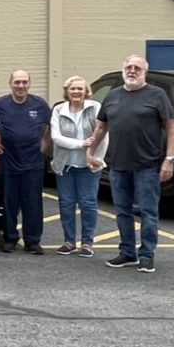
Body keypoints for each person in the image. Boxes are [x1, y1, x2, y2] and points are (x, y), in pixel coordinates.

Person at [86, 55, 174, 274]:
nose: (132, 71)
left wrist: (169, 160)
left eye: (137, 68)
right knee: (122, 212)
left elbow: (172, 129)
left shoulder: (157, 95)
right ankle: (127, 252)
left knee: (148, 212)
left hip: (147, 166)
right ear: (123, 70)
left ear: (145, 72)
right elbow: (101, 128)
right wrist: (90, 152)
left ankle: (147, 255)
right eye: (129, 67)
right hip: (118, 166)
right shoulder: (113, 96)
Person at [0, 70, 51, 254]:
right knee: (9, 203)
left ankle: (32, 241)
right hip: (8, 162)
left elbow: (50, 124)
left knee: (32, 203)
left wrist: (45, 140)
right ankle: (10, 239)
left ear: (29, 84)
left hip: (33, 163)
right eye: (17, 82)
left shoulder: (39, 104)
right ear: (10, 83)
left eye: (24, 82)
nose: (21, 86)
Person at [50, 76, 107, 258]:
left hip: (88, 165)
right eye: (72, 89)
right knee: (66, 204)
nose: (76, 92)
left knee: (88, 204)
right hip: (65, 165)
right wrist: (81, 143)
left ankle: (88, 243)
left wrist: (96, 158)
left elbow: (103, 135)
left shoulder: (95, 108)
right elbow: (56, 138)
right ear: (67, 91)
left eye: (80, 89)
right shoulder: (59, 109)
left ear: (86, 92)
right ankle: (68, 241)